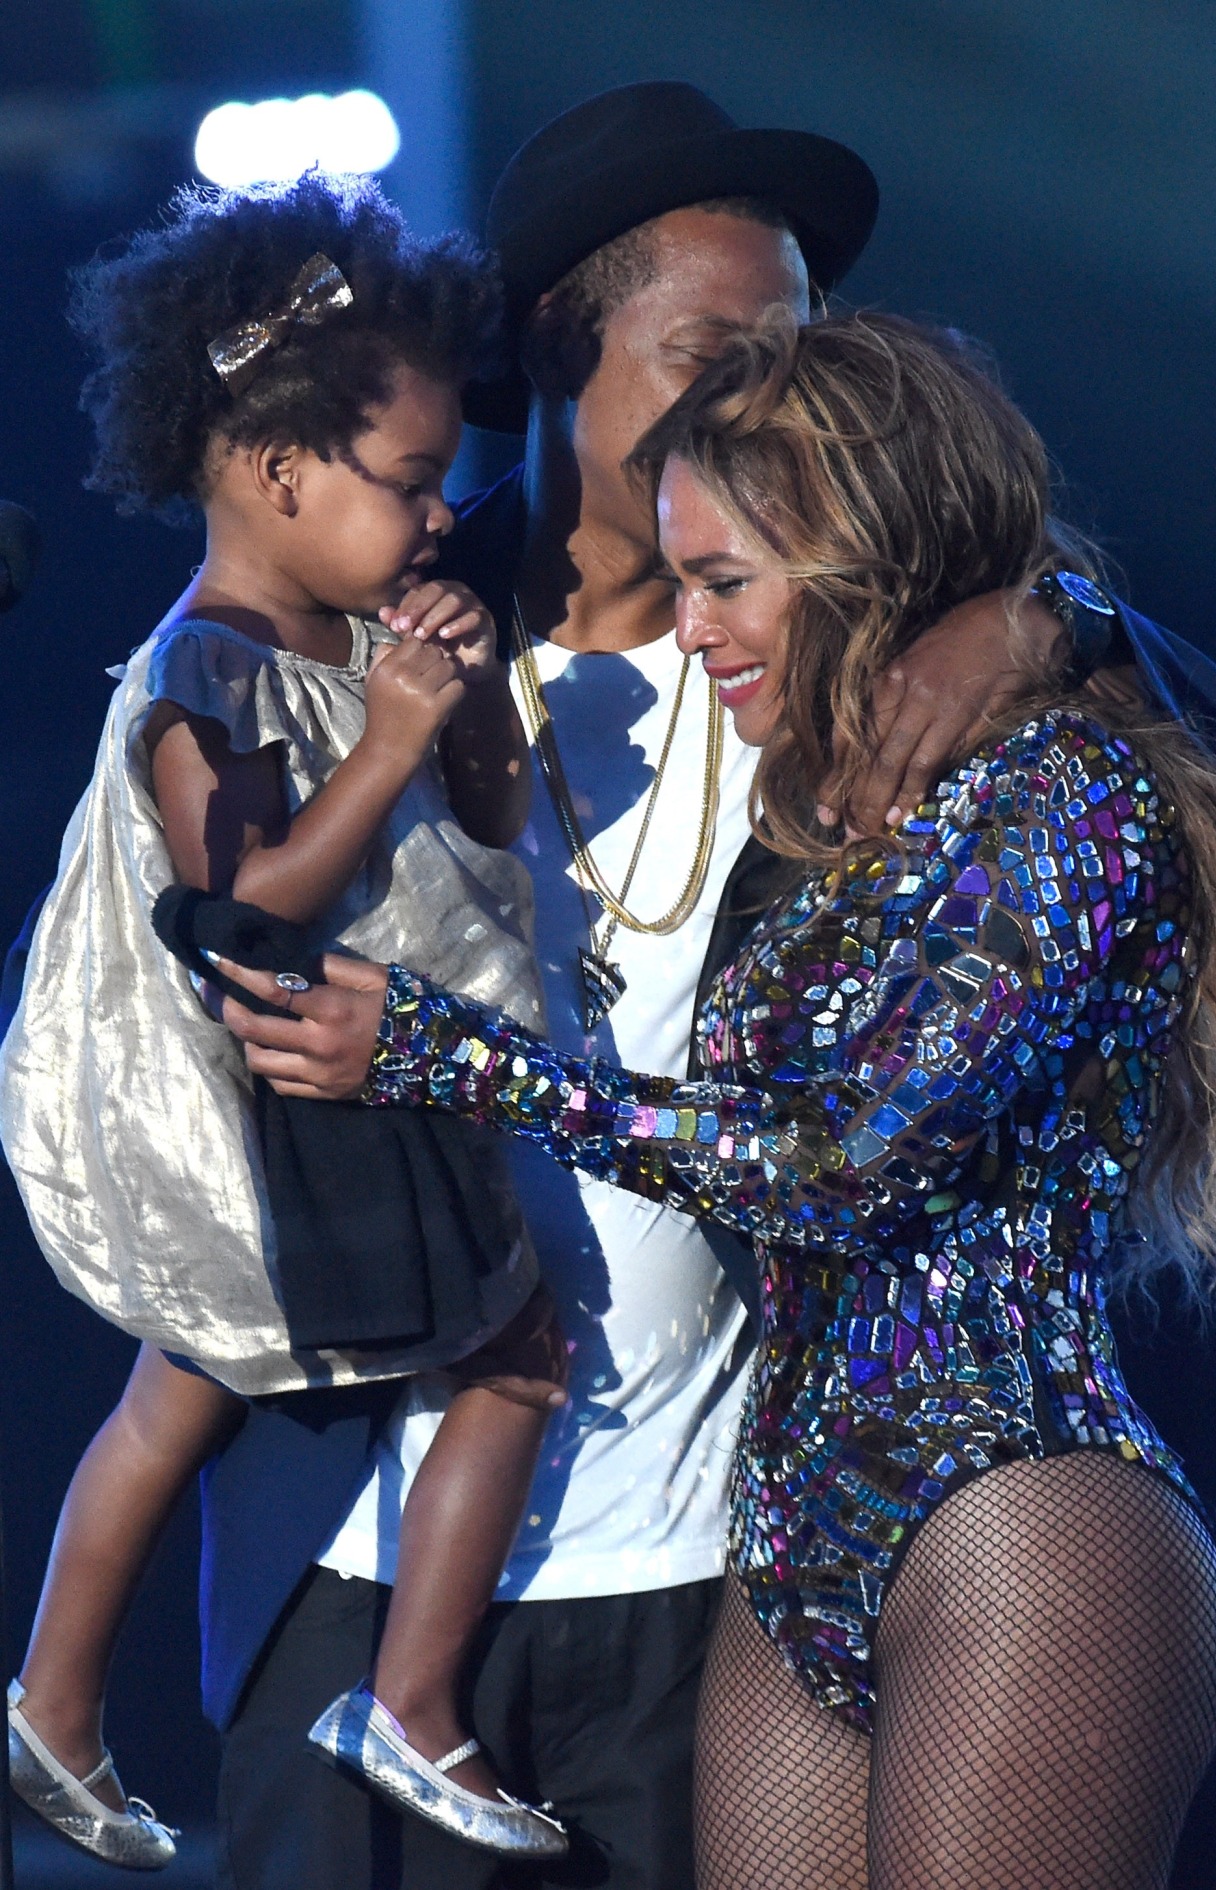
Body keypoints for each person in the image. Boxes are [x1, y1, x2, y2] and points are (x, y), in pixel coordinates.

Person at [199, 85, 1216, 1890]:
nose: (750, 396)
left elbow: (1199, 788)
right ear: (558, 340)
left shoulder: (890, 686)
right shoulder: (334, 632)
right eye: (713, 350)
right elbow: (137, 975)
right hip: (364, 1529)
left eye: (790, 354)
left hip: (707, 1552)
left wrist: (1062, 617)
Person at [0, 173, 572, 1868]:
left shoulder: (347, 636)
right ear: (274, 472)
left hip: (350, 1086)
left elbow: (480, 831)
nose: (436, 512)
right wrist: (387, 738)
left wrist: (452, 702)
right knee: (516, 1350)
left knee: (175, 1396)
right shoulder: (207, 672)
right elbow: (247, 901)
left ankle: (54, 1705)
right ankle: (406, 1699)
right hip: (284, 1111)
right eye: (407, 484)